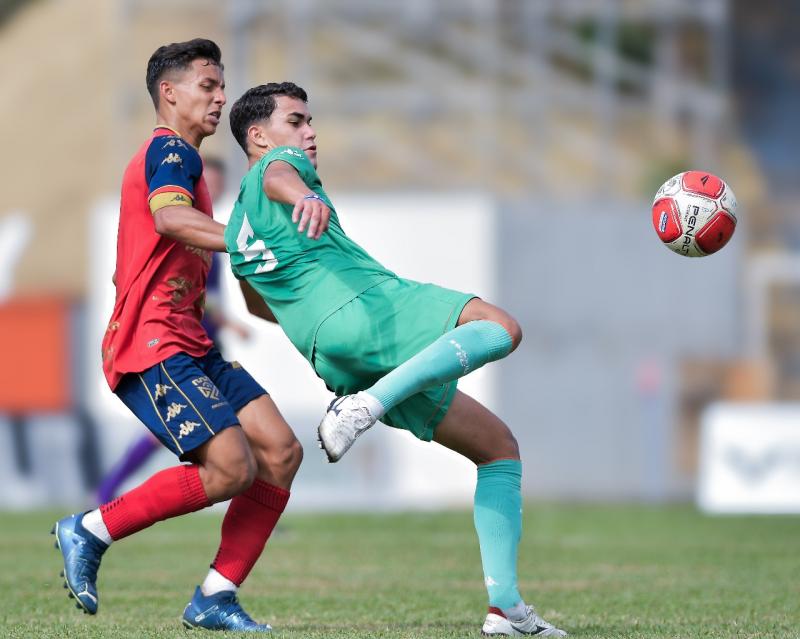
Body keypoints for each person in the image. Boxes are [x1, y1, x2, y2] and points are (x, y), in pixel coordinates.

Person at [225, 82, 567, 637]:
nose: (309, 133)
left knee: (497, 449)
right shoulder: (276, 170)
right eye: (296, 121)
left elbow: (259, 306)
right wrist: (304, 197)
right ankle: (367, 405)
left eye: (311, 122)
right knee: (501, 327)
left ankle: (505, 608)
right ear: (258, 136)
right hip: (368, 308)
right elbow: (279, 175)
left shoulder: (239, 227)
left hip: (330, 354)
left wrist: (319, 321)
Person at [51, 41, 302, 633]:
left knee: (281, 453)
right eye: (208, 86)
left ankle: (216, 595)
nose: (220, 98)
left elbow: (229, 269)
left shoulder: (192, 162)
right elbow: (169, 216)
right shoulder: (169, 152)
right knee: (233, 468)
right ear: (170, 93)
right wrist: (248, 239)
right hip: (151, 344)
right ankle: (90, 529)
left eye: (221, 86)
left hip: (191, 344)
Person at [93, 157, 249, 506]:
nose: (214, 188)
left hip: (203, 344)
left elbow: (205, 294)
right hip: (175, 348)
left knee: (243, 428)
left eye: (219, 182)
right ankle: (106, 501)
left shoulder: (208, 233)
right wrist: (231, 322)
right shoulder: (178, 229)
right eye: (208, 181)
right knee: (218, 432)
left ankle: (105, 498)